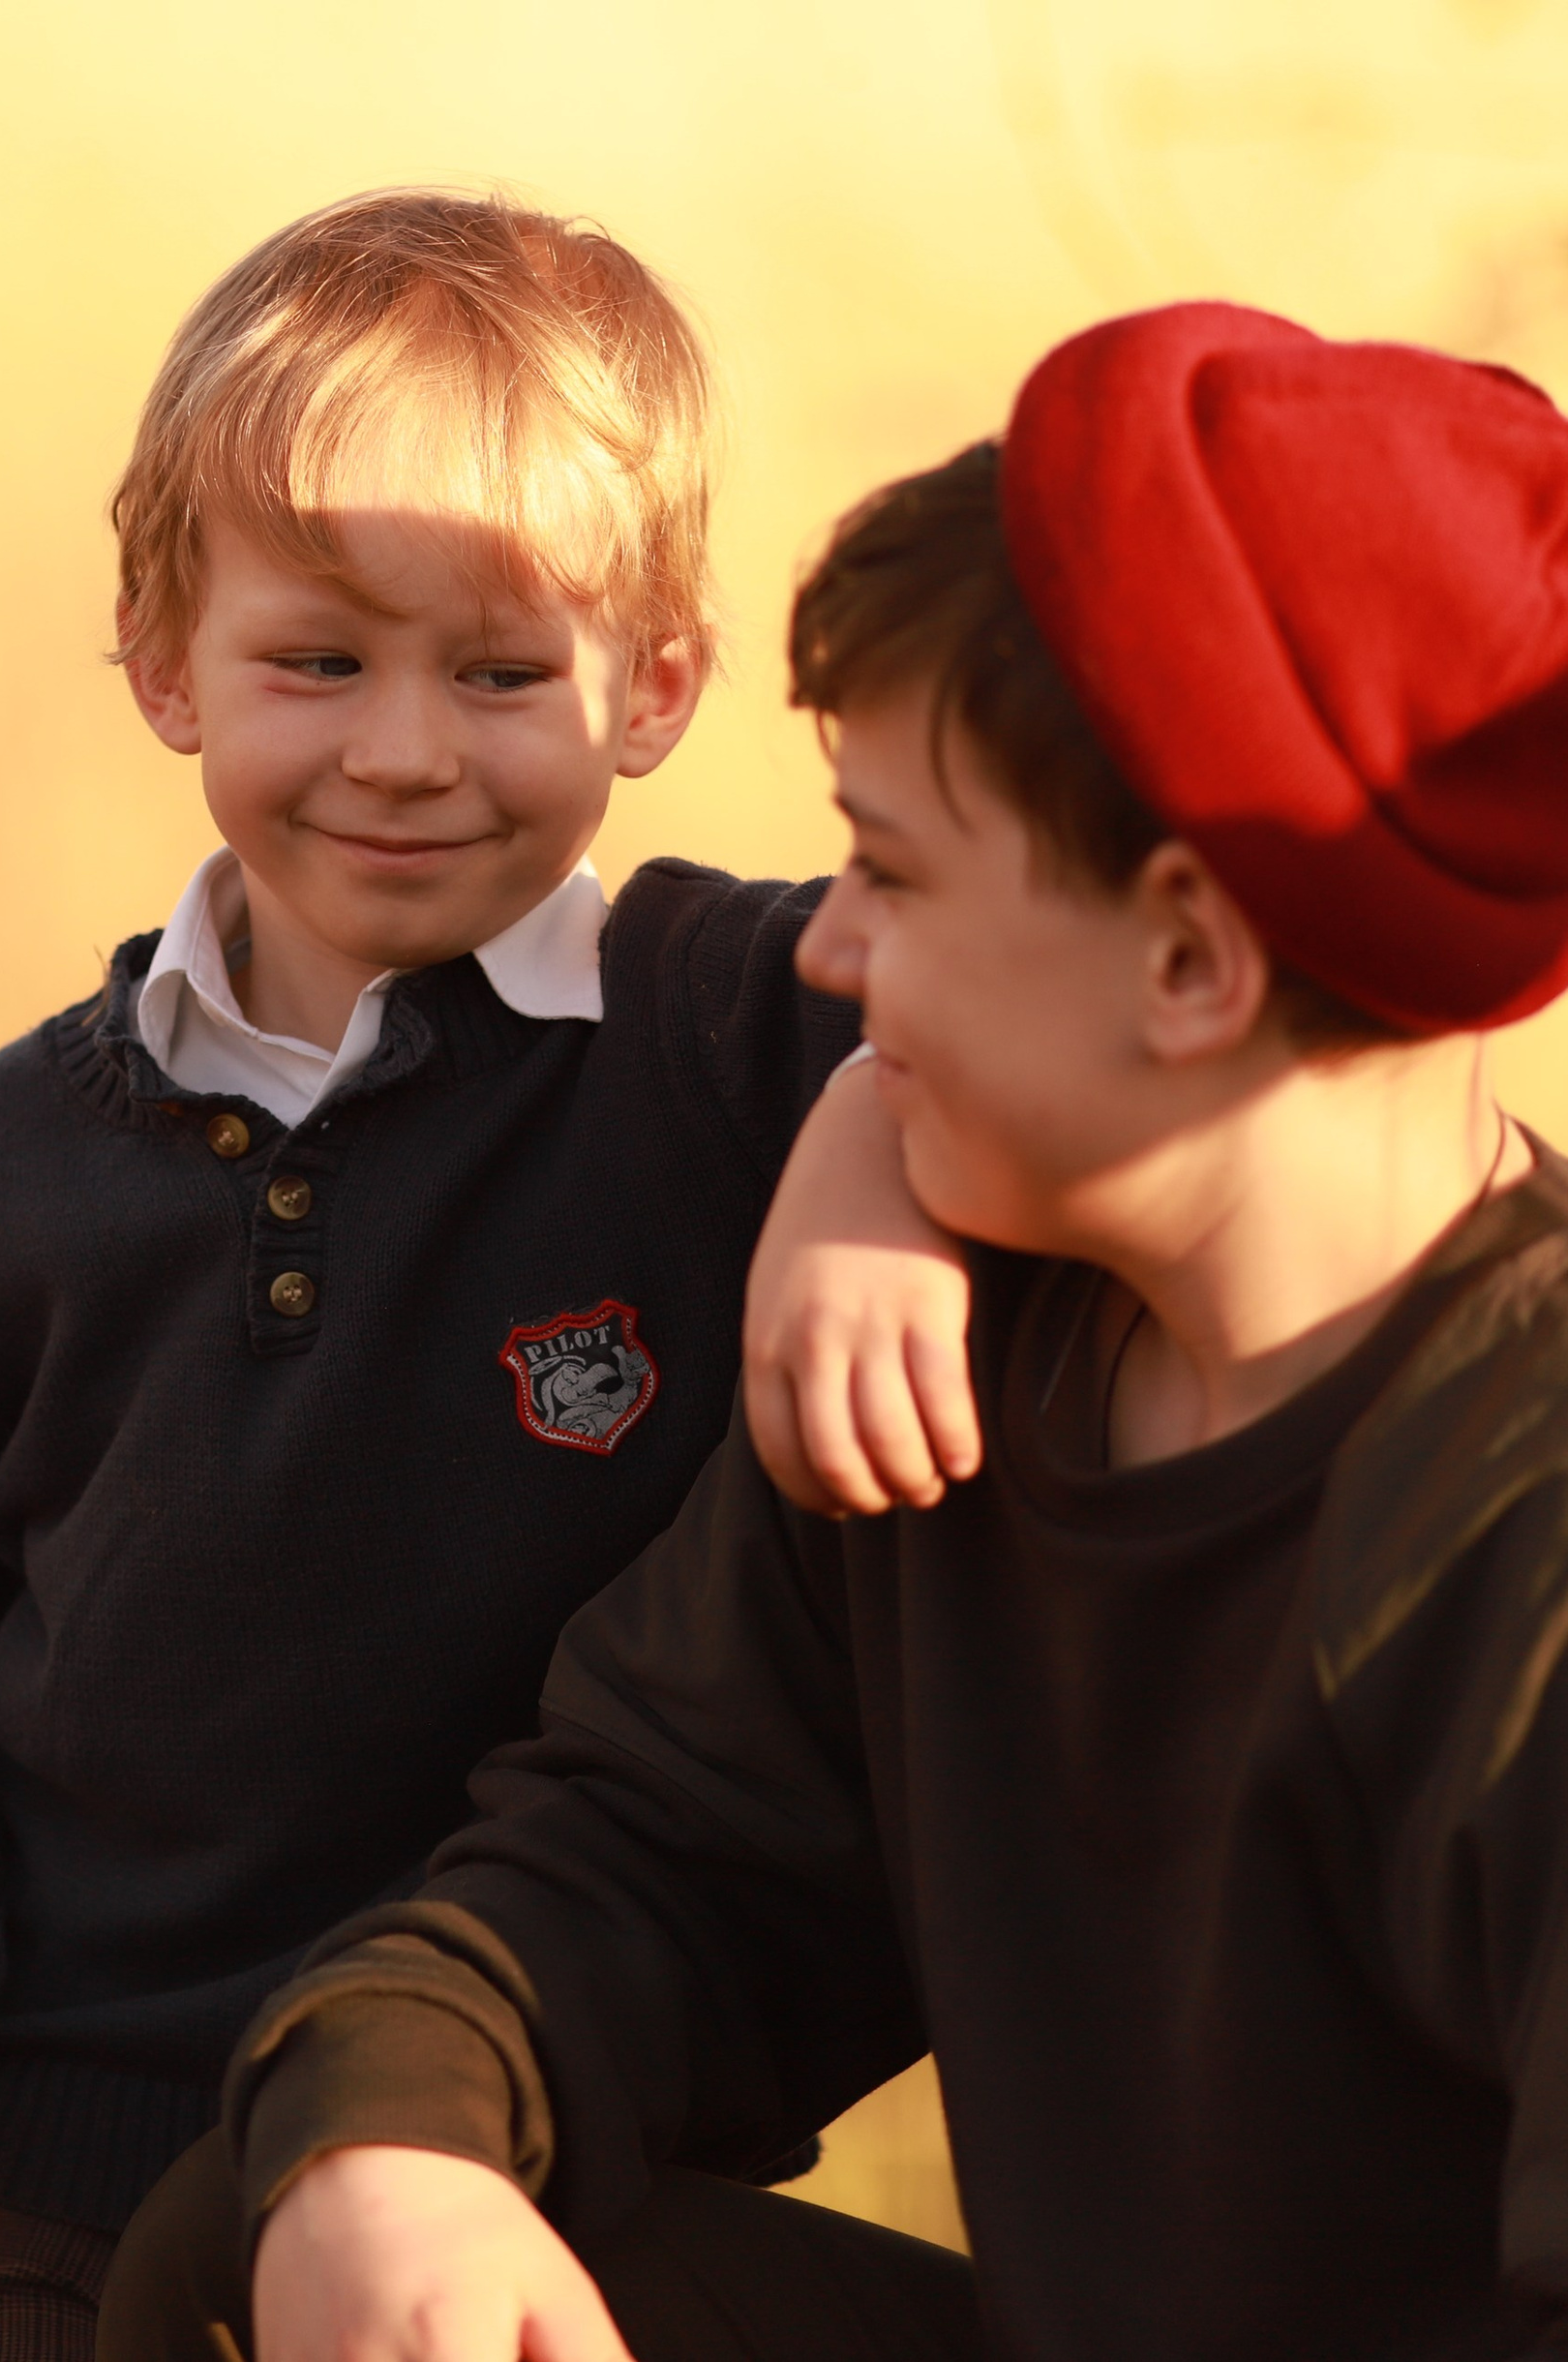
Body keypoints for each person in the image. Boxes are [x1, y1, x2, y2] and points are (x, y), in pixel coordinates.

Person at [97, 299, 1568, 2362]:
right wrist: (391, 2131)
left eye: (883, 868)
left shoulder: (1520, 1538)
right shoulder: (961, 1369)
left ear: (1182, 956)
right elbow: (639, 1861)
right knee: (270, 2258)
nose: (829, 942)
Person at [0, 188, 971, 2362]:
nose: (401, 750)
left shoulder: (714, 1032)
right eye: (318, 662)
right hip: (43, 2158)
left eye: (497, 672)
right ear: (163, 652)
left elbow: (963, 1014)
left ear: (651, 683)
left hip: (520, 2158)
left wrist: (861, 1165)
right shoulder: (20, 1160)